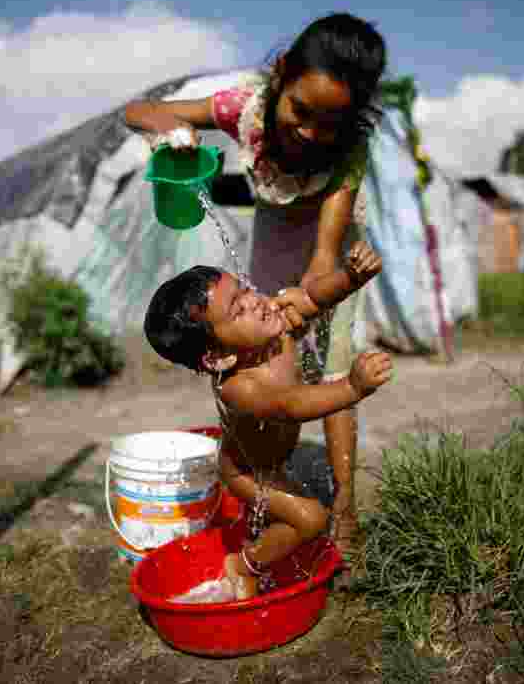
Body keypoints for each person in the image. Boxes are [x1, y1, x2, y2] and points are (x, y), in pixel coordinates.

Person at [125, 12, 387, 566]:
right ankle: (276, 485)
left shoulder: (349, 151)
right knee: (268, 359)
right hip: (274, 230)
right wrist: (170, 128)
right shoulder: (243, 107)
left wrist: (332, 287)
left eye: (330, 121)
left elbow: (321, 260)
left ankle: (343, 506)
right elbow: (136, 110)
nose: (311, 131)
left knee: (332, 359)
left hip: (328, 244)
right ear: (283, 74)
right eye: (301, 110)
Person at [144, 241, 392, 599]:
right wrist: (352, 387)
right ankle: (244, 564)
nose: (254, 300)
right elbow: (291, 404)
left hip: (275, 458)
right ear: (217, 356)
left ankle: (264, 544)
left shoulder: (270, 322)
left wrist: (351, 277)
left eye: (243, 289)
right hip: (248, 473)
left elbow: (310, 298)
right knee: (311, 519)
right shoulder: (238, 387)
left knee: (296, 522)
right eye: (236, 309)